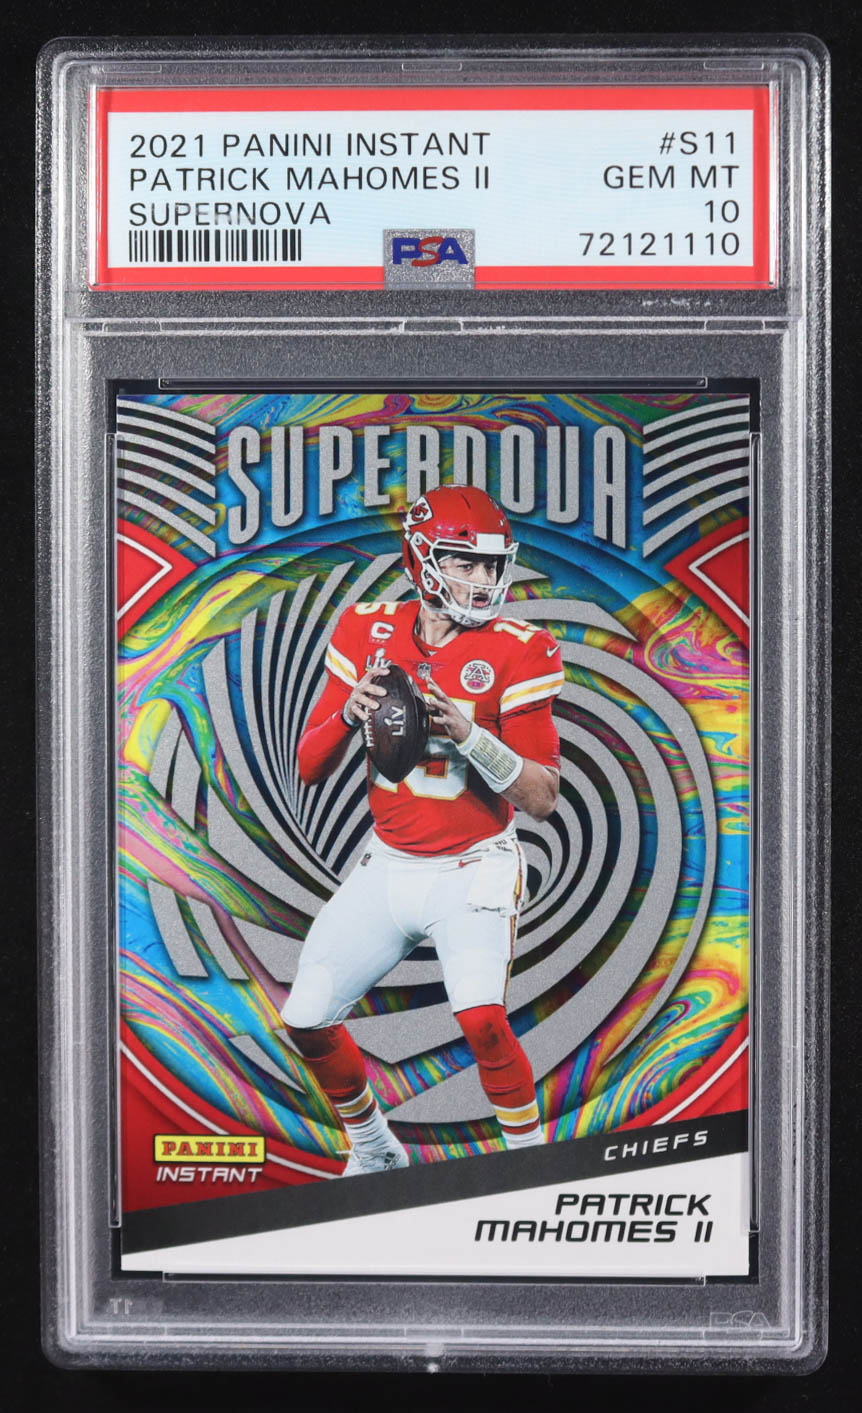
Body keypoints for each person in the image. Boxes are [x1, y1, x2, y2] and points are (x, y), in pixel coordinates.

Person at [281, 486, 564, 1174]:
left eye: (493, 565)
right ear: (422, 561)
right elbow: (310, 767)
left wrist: (471, 735)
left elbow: (543, 799)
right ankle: (376, 1148)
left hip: (474, 865)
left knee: (482, 1020)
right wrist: (347, 713)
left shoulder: (522, 649)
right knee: (306, 1018)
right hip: (388, 862)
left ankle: (529, 1167)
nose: (484, 580)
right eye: (466, 563)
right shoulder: (367, 629)